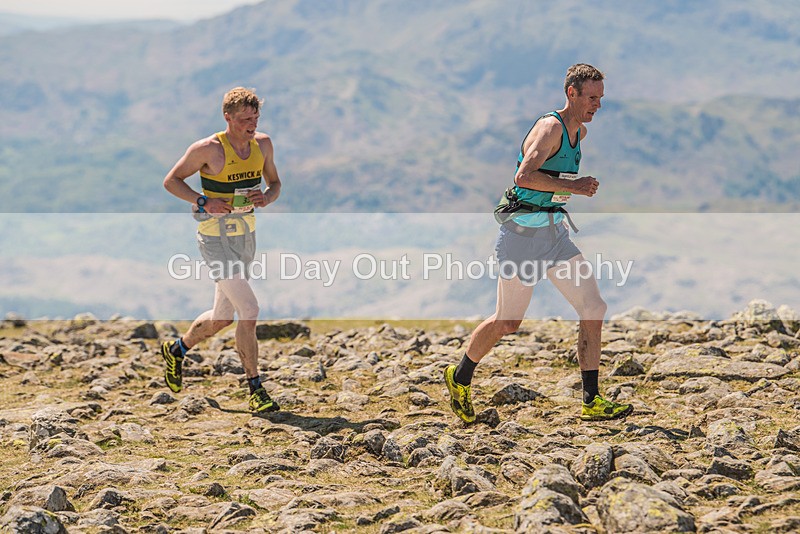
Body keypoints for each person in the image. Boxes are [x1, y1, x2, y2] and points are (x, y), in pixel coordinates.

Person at [444, 64, 633, 423]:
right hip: (521, 237)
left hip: (554, 235)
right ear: (571, 94)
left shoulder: (580, 133)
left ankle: (591, 400)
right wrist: (574, 187)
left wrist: (567, 191)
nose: (597, 105)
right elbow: (524, 176)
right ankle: (460, 376)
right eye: (591, 98)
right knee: (507, 322)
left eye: (601, 99)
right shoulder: (551, 128)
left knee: (593, 307)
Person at [161, 87, 281, 413]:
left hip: (245, 238)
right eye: (244, 119)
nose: (251, 125)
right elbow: (171, 181)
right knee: (250, 309)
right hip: (214, 240)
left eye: (255, 118)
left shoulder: (263, 145)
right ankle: (255, 388)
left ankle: (176, 349)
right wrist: (203, 201)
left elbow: (275, 184)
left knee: (222, 318)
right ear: (227, 117)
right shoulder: (207, 149)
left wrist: (265, 198)